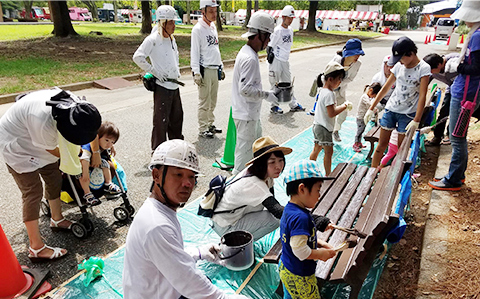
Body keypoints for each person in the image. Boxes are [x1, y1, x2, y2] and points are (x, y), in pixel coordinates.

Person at [123, 139, 247, 299]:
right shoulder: (156, 225)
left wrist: (199, 253)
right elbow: (192, 284)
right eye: (178, 174)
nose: (188, 183)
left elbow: (170, 258)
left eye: (192, 176)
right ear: (156, 176)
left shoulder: (158, 210)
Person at [0, 88, 101, 261]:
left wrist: (96, 151)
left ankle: (57, 219)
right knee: (33, 191)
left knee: (54, 178)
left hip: (41, 141)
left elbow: (90, 130)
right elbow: (55, 151)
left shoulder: (80, 108)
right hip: (18, 146)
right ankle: (36, 248)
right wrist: (80, 156)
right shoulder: (42, 120)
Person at [428, 0, 480, 191]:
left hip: (465, 94)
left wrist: (458, 67)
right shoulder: (475, 34)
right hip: (465, 92)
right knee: (459, 136)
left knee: (457, 137)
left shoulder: (477, 37)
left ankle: (453, 180)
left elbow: (476, 67)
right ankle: (458, 174)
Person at [364, 36, 431, 168]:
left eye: (401, 58)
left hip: (408, 114)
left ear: (410, 54)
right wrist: (371, 108)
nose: (399, 62)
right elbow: (385, 89)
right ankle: (371, 174)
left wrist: (417, 119)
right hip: (391, 110)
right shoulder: (398, 67)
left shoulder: (423, 68)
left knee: (402, 150)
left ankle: (397, 176)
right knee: (381, 146)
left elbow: (423, 95)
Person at [279, 159, 336, 299]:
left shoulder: (291, 209)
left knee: (291, 294)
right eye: (317, 190)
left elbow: (297, 239)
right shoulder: (301, 217)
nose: (319, 195)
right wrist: (320, 254)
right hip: (300, 276)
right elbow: (300, 251)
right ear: (302, 188)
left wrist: (320, 244)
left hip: (286, 266)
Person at [231, 11, 279, 175]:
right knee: (242, 161)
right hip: (246, 115)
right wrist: (267, 95)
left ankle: (249, 188)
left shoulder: (247, 52)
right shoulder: (250, 58)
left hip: (249, 114)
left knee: (255, 153)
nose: (269, 42)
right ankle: (234, 193)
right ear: (260, 34)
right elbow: (245, 89)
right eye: (268, 37)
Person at [133, 5, 184, 152]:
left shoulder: (171, 39)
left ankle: (175, 150)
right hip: (163, 86)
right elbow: (138, 57)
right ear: (162, 23)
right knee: (161, 122)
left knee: (176, 119)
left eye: (174, 22)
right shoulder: (153, 39)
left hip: (174, 86)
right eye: (170, 23)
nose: (173, 26)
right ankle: (158, 152)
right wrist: (153, 70)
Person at [309, 61, 352, 175]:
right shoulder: (329, 94)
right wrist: (344, 106)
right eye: (339, 79)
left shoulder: (322, 90)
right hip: (324, 128)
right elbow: (332, 113)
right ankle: (328, 175)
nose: (340, 82)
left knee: (316, 149)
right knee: (329, 152)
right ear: (330, 79)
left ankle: (308, 169)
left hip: (317, 125)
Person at [191, 0, 224, 139]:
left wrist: (220, 65)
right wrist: (196, 72)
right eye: (210, 11)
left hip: (214, 68)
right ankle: (203, 127)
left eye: (215, 11)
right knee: (204, 100)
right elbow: (195, 52)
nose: (214, 14)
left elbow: (215, 48)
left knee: (213, 99)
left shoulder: (212, 27)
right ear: (202, 11)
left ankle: (210, 123)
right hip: (205, 69)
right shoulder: (198, 29)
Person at [266, 5, 305, 115]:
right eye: (289, 18)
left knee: (288, 83)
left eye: (292, 18)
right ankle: (274, 106)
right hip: (276, 60)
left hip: (285, 60)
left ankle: (293, 104)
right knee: (275, 84)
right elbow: (270, 45)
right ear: (283, 17)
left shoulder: (290, 30)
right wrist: (269, 56)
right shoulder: (277, 30)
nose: (291, 20)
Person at [325, 38, 364, 143]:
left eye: (359, 54)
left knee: (343, 113)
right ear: (348, 53)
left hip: (340, 90)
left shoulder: (357, 64)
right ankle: (325, 134)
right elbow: (326, 76)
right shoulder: (336, 60)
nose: (357, 56)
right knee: (328, 114)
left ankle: (335, 130)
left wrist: (339, 82)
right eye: (355, 54)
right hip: (329, 91)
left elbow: (350, 78)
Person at [79, 121, 121, 206]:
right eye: (107, 140)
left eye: (112, 142)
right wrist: (86, 173)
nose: (109, 144)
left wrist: (112, 147)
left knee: (106, 163)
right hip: (84, 163)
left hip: (97, 163)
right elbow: (84, 158)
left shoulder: (104, 144)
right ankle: (87, 193)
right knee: (82, 175)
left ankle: (108, 183)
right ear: (97, 137)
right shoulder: (88, 146)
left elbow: (108, 142)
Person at [423, 53, 460, 146]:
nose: (431, 73)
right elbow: (424, 83)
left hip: (462, 91)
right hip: (451, 89)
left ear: (439, 65)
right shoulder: (432, 70)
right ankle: (437, 137)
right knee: (444, 112)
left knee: (455, 113)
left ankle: (449, 135)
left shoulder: (455, 61)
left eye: (432, 71)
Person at [353, 83, 382, 152]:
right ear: (370, 90)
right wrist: (374, 108)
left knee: (362, 130)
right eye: (373, 96)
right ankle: (355, 144)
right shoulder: (364, 97)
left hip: (364, 118)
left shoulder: (367, 97)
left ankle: (359, 143)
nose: (372, 98)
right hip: (360, 118)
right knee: (359, 132)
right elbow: (369, 105)